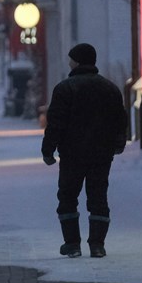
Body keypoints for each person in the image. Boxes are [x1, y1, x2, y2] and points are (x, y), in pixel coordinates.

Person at [41, 43, 128, 258]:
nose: (69, 61)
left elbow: (56, 123)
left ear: (77, 61)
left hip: (72, 154)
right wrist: (118, 144)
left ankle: (72, 244)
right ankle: (97, 244)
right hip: (101, 154)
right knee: (98, 196)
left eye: (71, 58)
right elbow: (120, 120)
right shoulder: (110, 88)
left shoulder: (65, 89)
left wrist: (48, 150)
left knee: (68, 196)